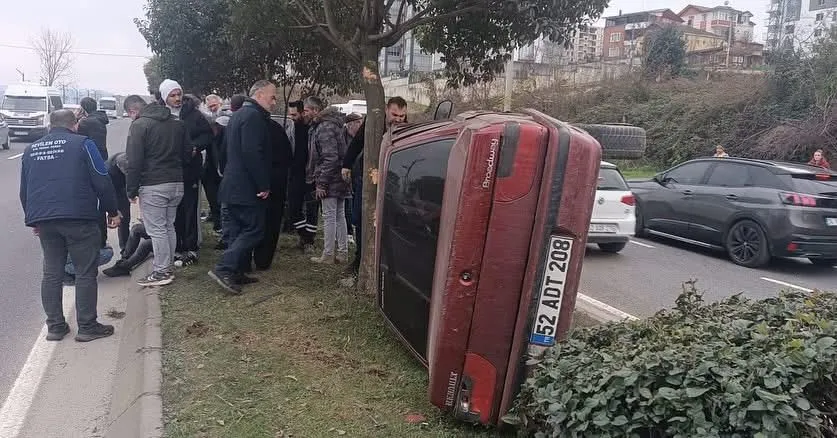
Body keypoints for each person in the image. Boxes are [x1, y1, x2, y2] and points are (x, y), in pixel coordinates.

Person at [19, 109, 121, 342]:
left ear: (49, 126)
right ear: (74, 125)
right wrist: (112, 211)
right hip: (79, 218)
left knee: (52, 273)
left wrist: (34, 219)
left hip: (45, 220)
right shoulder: (83, 144)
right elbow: (101, 178)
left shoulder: (31, 149)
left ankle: (55, 327)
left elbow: (25, 189)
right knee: (85, 271)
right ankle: (87, 326)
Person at [208, 80, 276, 295]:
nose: (274, 102)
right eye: (272, 97)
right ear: (259, 95)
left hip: (232, 184)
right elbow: (251, 152)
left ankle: (236, 271)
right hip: (246, 186)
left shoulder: (237, 115)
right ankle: (225, 267)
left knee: (237, 231)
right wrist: (263, 184)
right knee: (255, 230)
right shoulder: (254, 117)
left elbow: (225, 151)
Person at [124, 94, 190, 287]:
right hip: (177, 182)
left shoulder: (139, 125)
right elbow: (188, 152)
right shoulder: (177, 123)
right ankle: (167, 266)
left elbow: (133, 161)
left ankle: (161, 271)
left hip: (153, 184)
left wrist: (131, 189)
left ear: (133, 110)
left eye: (130, 115)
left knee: (157, 230)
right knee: (169, 226)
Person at [342, 96, 408, 276]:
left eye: (402, 116)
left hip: (390, 183)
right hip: (366, 179)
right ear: (387, 110)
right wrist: (346, 165)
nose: (398, 119)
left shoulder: (406, 130)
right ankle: (360, 259)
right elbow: (356, 144)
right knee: (360, 219)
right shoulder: (373, 123)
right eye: (395, 114)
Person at [158, 80, 212, 266]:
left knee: (190, 209)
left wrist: (196, 146)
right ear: (165, 97)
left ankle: (191, 247)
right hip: (168, 172)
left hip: (190, 171)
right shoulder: (160, 116)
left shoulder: (194, 114)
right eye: (172, 95)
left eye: (179, 94)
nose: (177, 99)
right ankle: (176, 246)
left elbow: (207, 134)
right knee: (172, 211)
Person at [304, 96, 351, 264]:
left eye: (307, 110)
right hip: (340, 178)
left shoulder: (324, 127)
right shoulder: (333, 124)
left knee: (330, 216)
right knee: (339, 215)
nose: (305, 113)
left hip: (330, 179)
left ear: (316, 110)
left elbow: (330, 157)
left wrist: (321, 183)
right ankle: (342, 252)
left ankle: (328, 254)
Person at [251, 116, 292, 270]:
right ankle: (264, 259)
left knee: (253, 220)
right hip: (277, 179)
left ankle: (247, 257)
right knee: (272, 221)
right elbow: (288, 155)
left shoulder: (250, 126)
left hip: (256, 179)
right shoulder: (275, 128)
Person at [286, 100, 317, 252]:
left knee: (312, 209)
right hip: (295, 174)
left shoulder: (312, 129)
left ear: (302, 112)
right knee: (294, 209)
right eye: (290, 114)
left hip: (311, 174)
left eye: (294, 114)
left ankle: (309, 240)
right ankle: (304, 236)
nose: (292, 117)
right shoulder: (291, 128)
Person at [107, 152, 132, 252]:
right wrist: (114, 210)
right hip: (115, 190)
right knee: (122, 217)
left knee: (126, 217)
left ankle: (129, 242)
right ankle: (125, 247)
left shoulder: (131, 158)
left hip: (123, 185)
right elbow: (109, 193)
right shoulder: (109, 171)